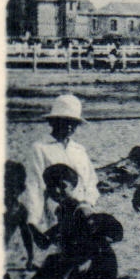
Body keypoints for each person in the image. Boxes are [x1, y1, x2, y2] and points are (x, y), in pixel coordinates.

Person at [23, 94, 99, 229]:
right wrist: (34, 221)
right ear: (53, 122)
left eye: (73, 122)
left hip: (82, 212)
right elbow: (34, 185)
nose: (69, 126)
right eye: (65, 121)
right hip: (55, 213)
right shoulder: (40, 148)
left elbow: (90, 181)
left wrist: (88, 203)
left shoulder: (79, 150)